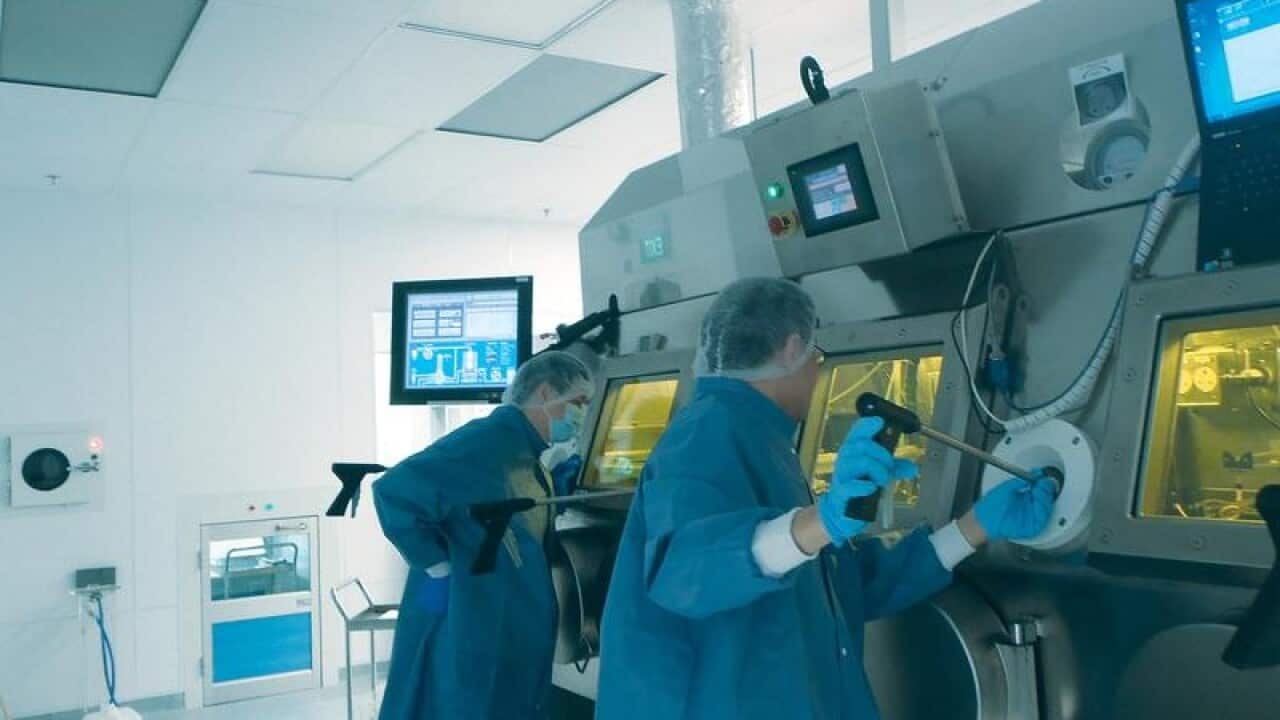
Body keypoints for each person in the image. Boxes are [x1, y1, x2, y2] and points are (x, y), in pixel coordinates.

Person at [595, 277, 1057, 720]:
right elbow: (685, 570)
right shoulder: (707, 433)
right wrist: (821, 522)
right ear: (792, 348)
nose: (817, 373)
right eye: (817, 357)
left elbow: (837, 584)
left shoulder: (761, 439)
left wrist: (974, 527)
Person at [372, 350, 595, 720]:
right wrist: (439, 569)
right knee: (456, 700)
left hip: (499, 622)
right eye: (579, 402)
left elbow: (507, 514)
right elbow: (393, 491)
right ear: (544, 393)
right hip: (469, 617)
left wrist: (558, 487)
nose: (583, 413)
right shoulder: (484, 442)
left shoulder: (523, 454)